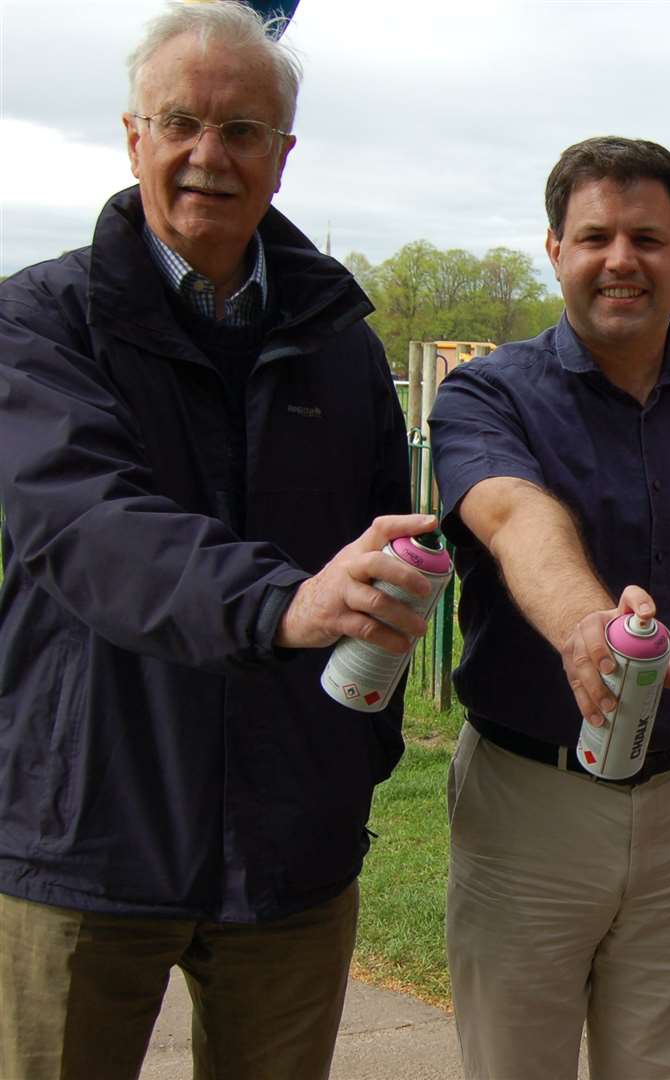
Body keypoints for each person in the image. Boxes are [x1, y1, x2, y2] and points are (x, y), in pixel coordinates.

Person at [0, 4, 434, 1079]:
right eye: (181, 123)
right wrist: (280, 604)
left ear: (282, 160)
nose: (208, 155)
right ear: (132, 136)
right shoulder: (39, 321)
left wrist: (350, 760)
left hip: (291, 848)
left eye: (242, 132)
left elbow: (384, 555)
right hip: (84, 829)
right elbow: (86, 522)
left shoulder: (339, 345)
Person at [429, 136, 670, 1080]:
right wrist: (586, 628)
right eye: (594, 235)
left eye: (648, 236)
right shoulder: (486, 394)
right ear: (554, 248)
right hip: (529, 802)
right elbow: (513, 514)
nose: (621, 260)